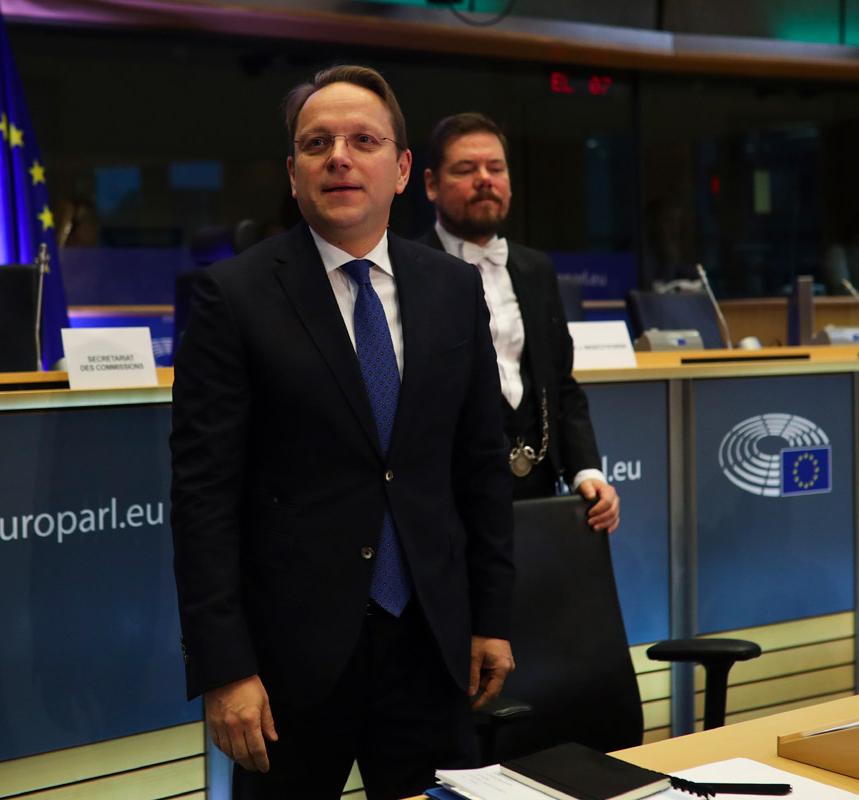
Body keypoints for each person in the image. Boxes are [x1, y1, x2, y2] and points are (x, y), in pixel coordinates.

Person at [170, 68, 516, 799]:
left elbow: (480, 467)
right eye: (316, 143)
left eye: (363, 141)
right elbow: (203, 500)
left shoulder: (454, 289)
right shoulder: (233, 297)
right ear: (293, 172)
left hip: (430, 647)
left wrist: (491, 618)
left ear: (402, 170)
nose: (339, 158)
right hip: (288, 665)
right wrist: (225, 667)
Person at [418, 112, 619, 533]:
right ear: (431, 184)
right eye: (465, 169)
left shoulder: (537, 269)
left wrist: (587, 470)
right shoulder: (407, 272)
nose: (484, 180)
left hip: (539, 488)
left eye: (496, 168)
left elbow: (562, 385)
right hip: (447, 502)